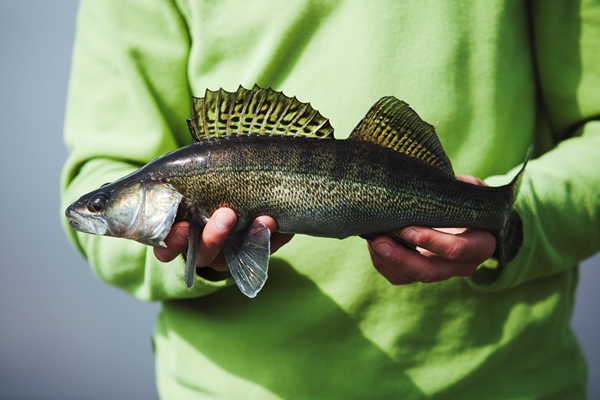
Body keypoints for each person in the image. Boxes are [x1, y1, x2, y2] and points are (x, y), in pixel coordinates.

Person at [61, 1, 600, 398]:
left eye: (105, 203)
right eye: (105, 203)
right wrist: (199, 259)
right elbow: (96, 170)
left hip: (507, 383)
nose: (98, 209)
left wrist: (525, 218)